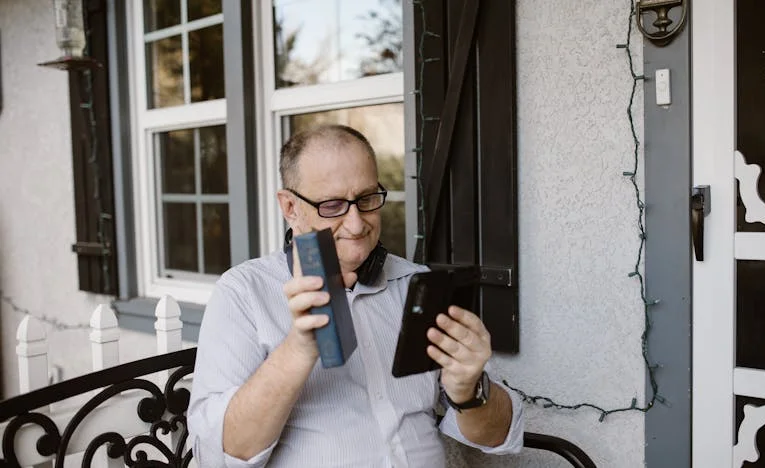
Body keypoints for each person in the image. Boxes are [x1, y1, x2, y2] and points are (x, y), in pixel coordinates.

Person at [188, 125, 524, 467]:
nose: (356, 224)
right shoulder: (243, 293)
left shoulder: (415, 285)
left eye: (366, 199)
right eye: (333, 205)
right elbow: (221, 454)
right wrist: (298, 349)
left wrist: (470, 391)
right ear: (290, 207)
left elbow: (496, 436)